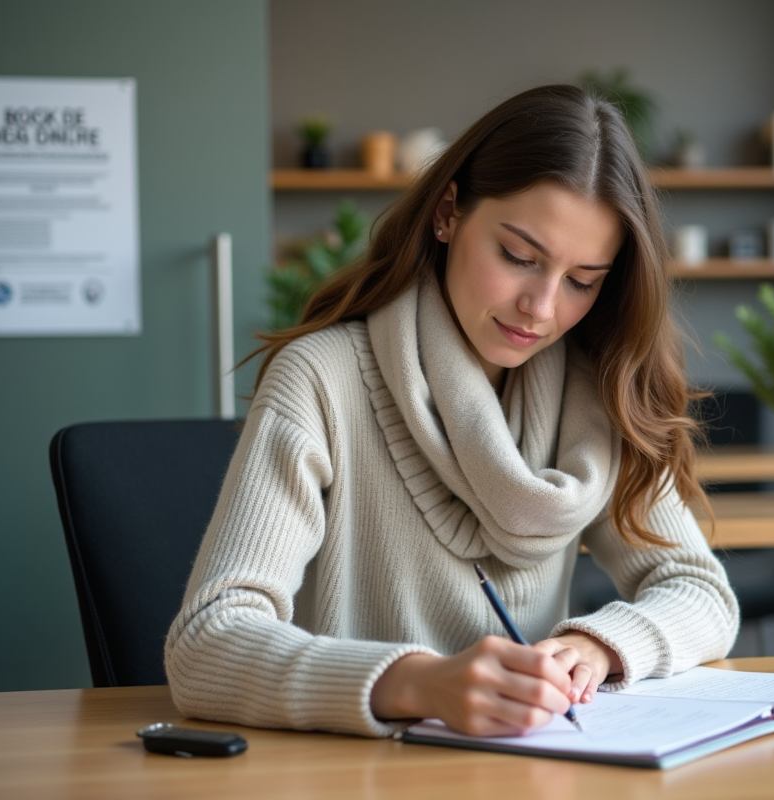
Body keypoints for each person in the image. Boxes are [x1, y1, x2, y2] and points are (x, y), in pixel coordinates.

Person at [165, 84, 739, 739]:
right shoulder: (321, 379)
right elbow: (206, 645)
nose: (541, 307)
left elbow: (702, 593)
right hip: (356, 773)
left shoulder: (596, 393)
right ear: (448, 213)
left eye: (582, 281)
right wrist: (419, 683)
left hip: (535, 768)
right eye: (518, 257)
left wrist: (598, 646)